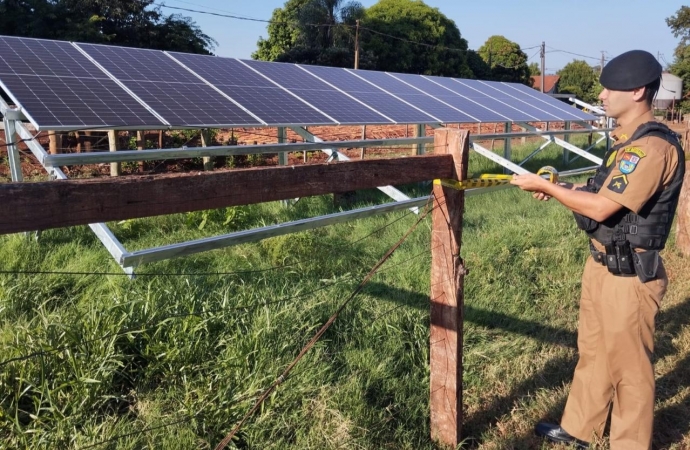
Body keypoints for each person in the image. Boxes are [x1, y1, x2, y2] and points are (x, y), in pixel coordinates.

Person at [510, 49, 686, 450]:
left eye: (611, 88)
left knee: (629, 367)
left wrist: (547, 189)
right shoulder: (627, 143)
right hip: (602, 266)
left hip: (630, 276)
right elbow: (603, 195)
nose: (603, 96)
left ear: (638, 91)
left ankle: (629, 444)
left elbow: (605, 207)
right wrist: (565, 190)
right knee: (592, 352)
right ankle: (580, 428)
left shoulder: (651, 149)